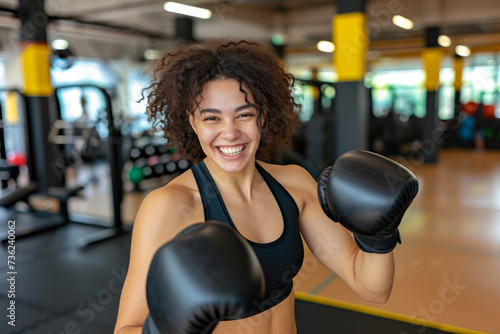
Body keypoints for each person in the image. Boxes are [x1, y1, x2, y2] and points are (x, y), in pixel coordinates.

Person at [114, 40, 417, 334]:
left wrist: (379, 235)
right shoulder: (168, 206)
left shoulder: (294, 185)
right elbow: (126, 327)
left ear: (263, 116)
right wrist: (166, 327)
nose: (230, 132)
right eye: (212, 118)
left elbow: (371, 288)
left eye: (244, 114)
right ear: (192, 123)